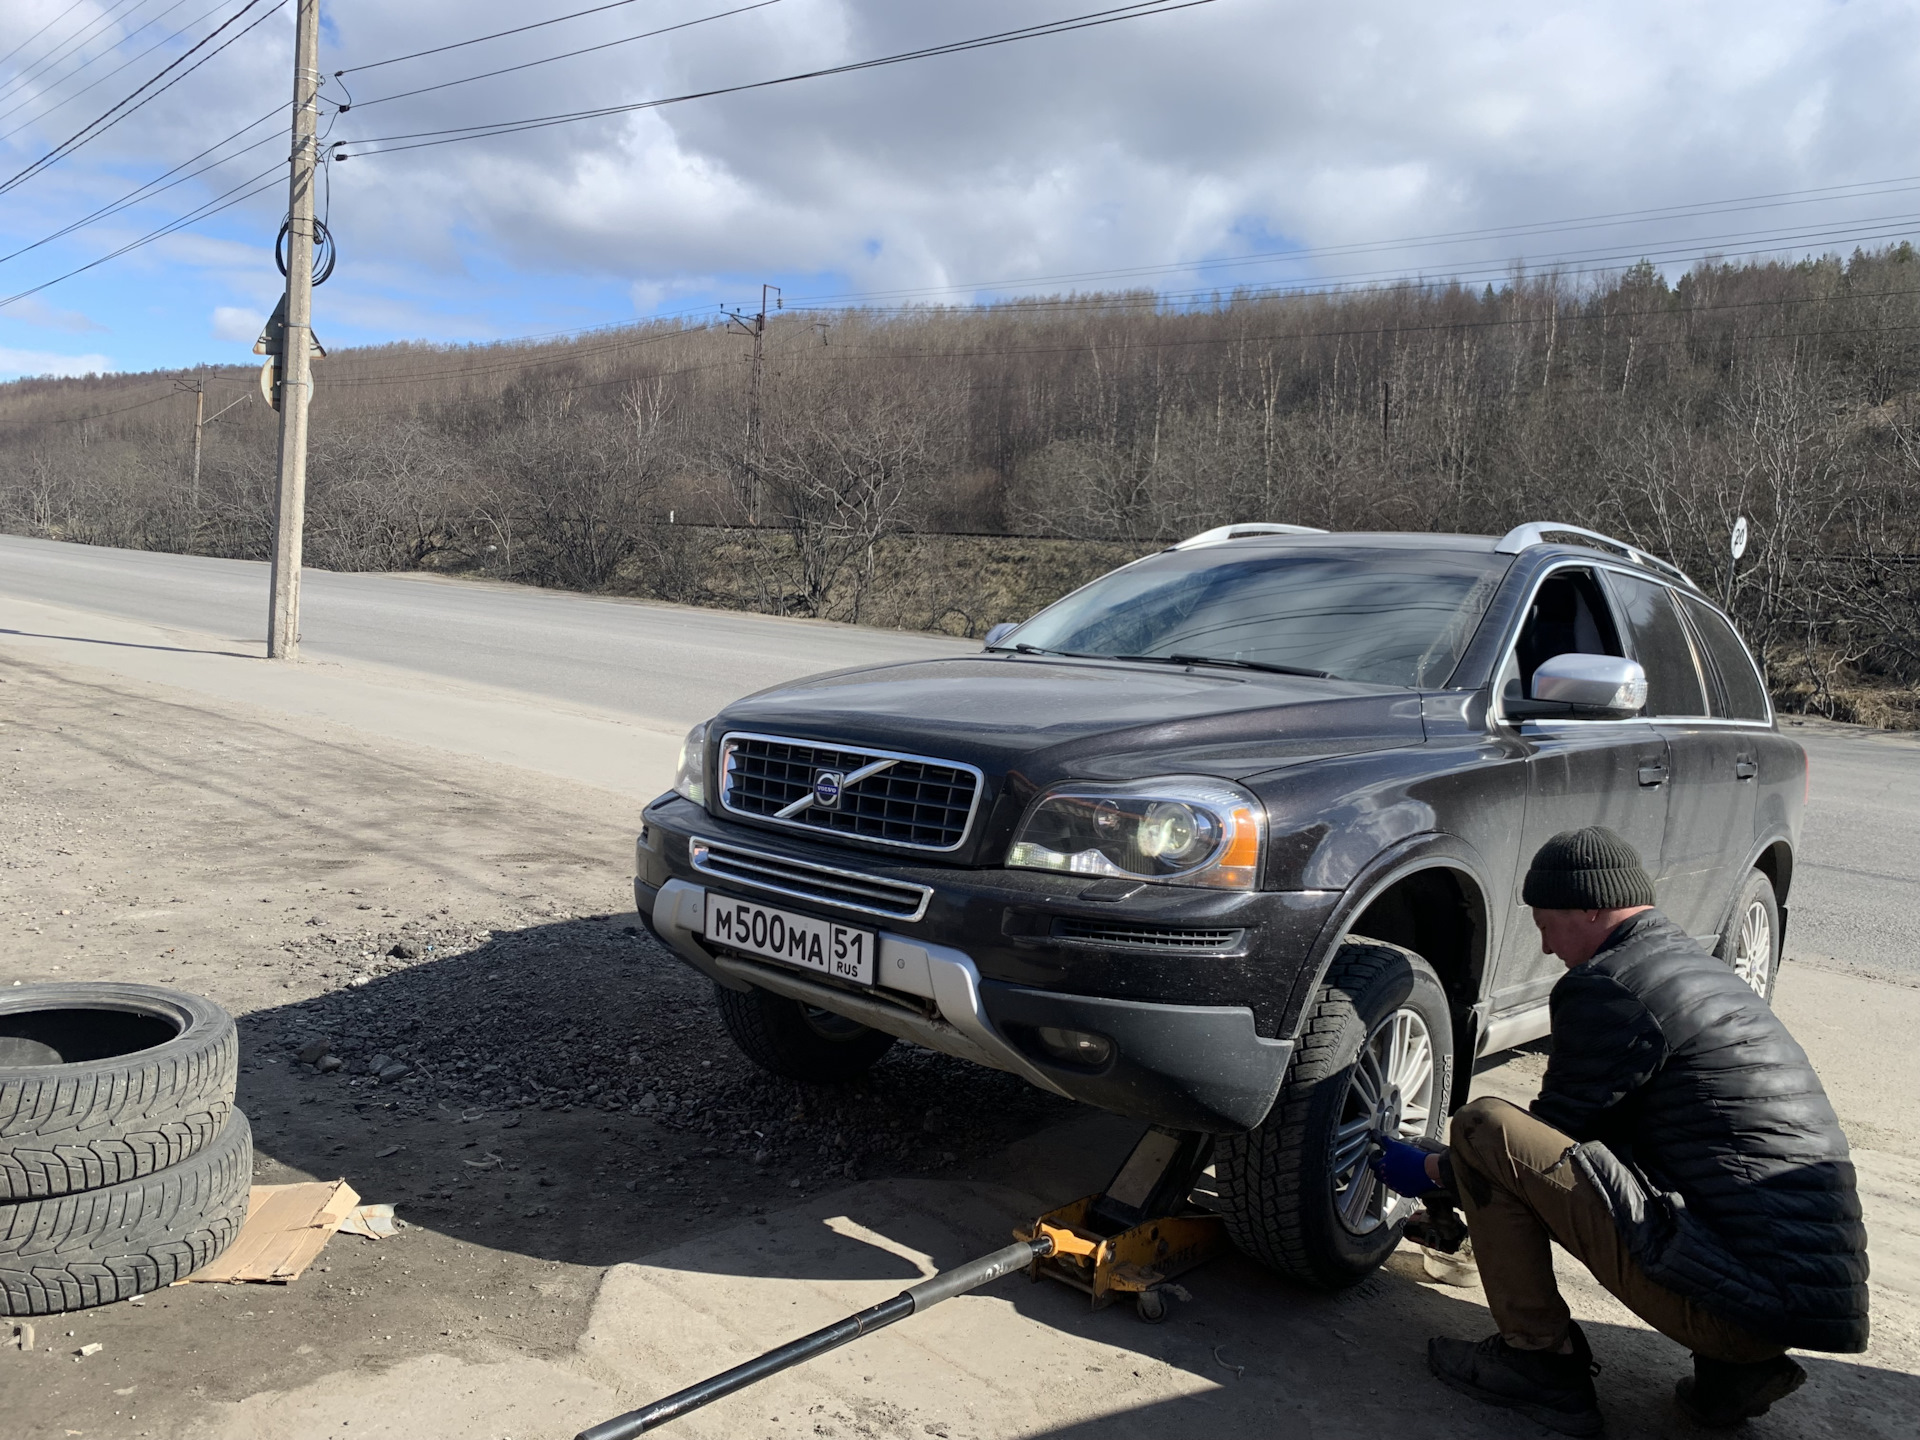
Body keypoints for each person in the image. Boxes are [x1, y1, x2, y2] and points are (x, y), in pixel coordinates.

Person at [1371, 826, 1869, 1436]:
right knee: (1669, 1171)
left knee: (1483, 1128)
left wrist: (1432, 1170)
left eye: (1546, 923)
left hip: (1740, 1306)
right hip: (1790, 1304)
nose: (1547, 946)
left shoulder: (1610, 983)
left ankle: (1537, 1362)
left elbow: (1539, 1145)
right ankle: (1733, 1374)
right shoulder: (1693, 970)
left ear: (1592, 907)